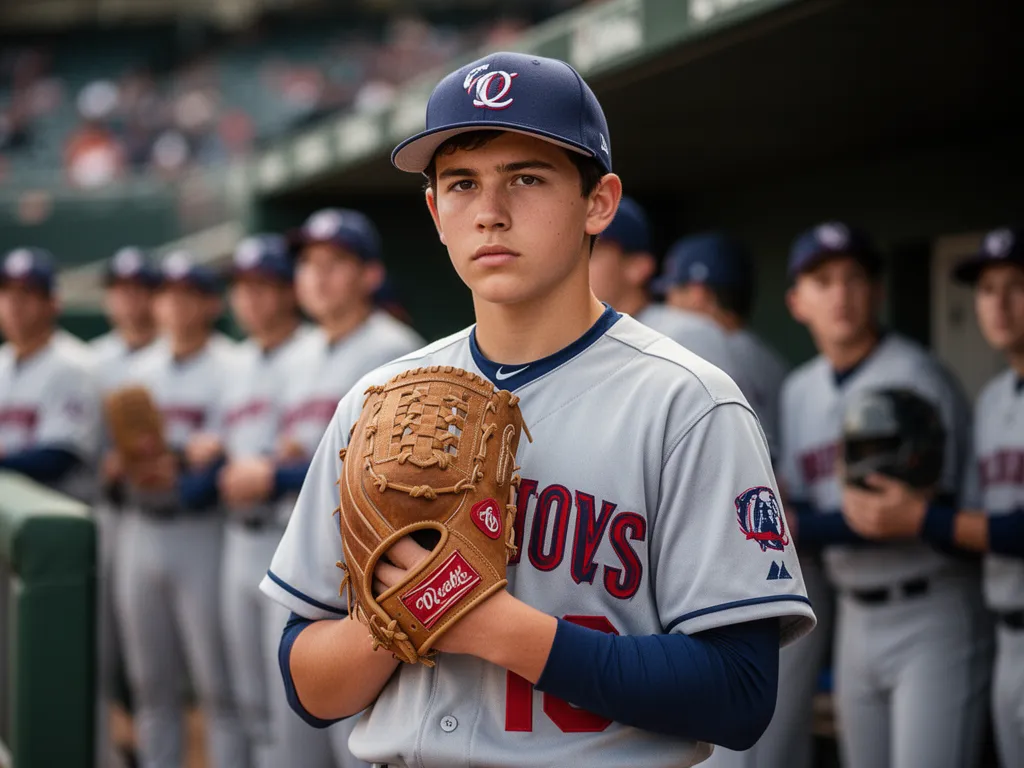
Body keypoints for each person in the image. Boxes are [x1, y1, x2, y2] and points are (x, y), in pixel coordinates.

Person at [260, 51, 815, 768]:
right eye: (461, 183)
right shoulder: (376, 402)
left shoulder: (690, 402)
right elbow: (310, 686)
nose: (489, 212)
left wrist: (494, 626)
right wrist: (407, 609)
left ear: (600, 202)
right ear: (434, 212)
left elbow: (739, 695)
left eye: (526, 177)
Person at [778, 221, 990, 768]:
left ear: (877, 291)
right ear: (797, 303)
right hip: (853, 612)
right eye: (823, 281)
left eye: (855, 278)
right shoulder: (800, 390)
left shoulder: (914, 377)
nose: (842, 295)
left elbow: (891, 514)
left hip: (930, 604)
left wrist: (797, 524)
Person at [841, 226, 1024, 767]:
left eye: (1016, 285)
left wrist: (921, 518)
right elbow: (974, 524)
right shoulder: (991, 400)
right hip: (1005, 629)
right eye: (987, 289)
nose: (999, 304)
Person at [274, 207, 423, 766]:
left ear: (370, 276)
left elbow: (396, 476)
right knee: (288, 725)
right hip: (293, 549)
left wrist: (275, 471)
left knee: (356, 735)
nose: (317, 275)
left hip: (366, 563)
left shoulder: (397, 350)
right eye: (308, 263)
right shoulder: (298, 354)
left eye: (335, 262)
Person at [113, 251, 247, 768]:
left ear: (211, 303)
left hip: (203, 530)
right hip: (141, 526)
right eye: (166, 293)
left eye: (187, 293)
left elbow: (217, 464)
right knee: (149, 683)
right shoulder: (136, 371)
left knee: (218, 686)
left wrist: (179, 461)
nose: (173, 305)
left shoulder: (233, 365)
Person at [211, 234, 335, 768]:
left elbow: (295, 456)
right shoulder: (240, 362)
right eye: (242, 287)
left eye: (263, 285)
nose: (251, 299)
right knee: (248, 700)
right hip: (238, 535)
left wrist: (274, 467)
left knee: (300, 712)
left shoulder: (308, 353)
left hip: (293, 538)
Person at [89, 245, 162, 768]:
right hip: (110, 514)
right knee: (104, 648)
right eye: (122, 288)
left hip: (177, 512)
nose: (132, 299)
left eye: (143, 287)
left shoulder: (180, 351)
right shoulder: (95, 362)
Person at [653, 232, 789, 457]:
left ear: (698, 294)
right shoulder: (775, 364)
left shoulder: (690, 347)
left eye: (674, 292)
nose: (669, 303)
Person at [589, 196, 748, 385]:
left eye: (592, 252)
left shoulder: (686, 333)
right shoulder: (581, 342)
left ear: (638, 266)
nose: (577, 265)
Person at [0, 246, 100, 503]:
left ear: (53, 302)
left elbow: (59, 458)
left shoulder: (75, 364)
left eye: (27, 293)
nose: (14, 304)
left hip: (57, 519)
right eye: (6, 292)